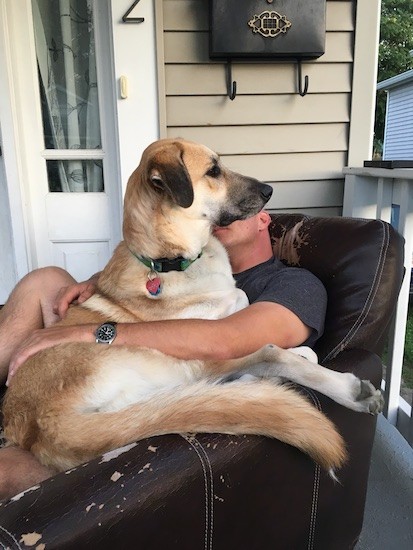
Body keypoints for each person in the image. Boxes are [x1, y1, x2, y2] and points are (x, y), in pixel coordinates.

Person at [0, 210, 327, 499]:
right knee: (47, 279)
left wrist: (94, 331)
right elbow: (132, 292)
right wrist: (95, 282)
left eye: (239, 207)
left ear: (263, 219)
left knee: (6, 469)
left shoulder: (292, 282)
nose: (218, 216)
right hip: (96, 369)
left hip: (146, 387)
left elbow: (229, 340)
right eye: (210, 211)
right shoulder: (185, 266)